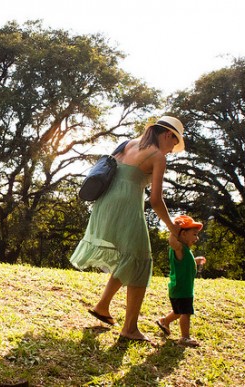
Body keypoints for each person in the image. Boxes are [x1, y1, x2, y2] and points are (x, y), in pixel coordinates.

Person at [70, 116, 185, 342]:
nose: (172, 150)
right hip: (126, 207)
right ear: (168, 135)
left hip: (104, 204)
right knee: (141, 260)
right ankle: (130, 328)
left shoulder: (129, 143)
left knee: (130, 258)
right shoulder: (158, 156)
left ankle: (103, 306)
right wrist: (173, 228)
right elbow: (155, 200)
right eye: (174, 143)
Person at [156, 215, 206, 347]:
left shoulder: (185, 251)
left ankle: (164, 321)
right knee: (186, 312)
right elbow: (173, 242)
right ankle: (185, 337)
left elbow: (185, 264)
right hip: (182, 288)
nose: (197, 238)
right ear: (183, 234)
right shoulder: (179, 248)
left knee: (178, 311)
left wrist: (195, 261)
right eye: (194, 234)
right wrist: (174, 230)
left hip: (179, 288)